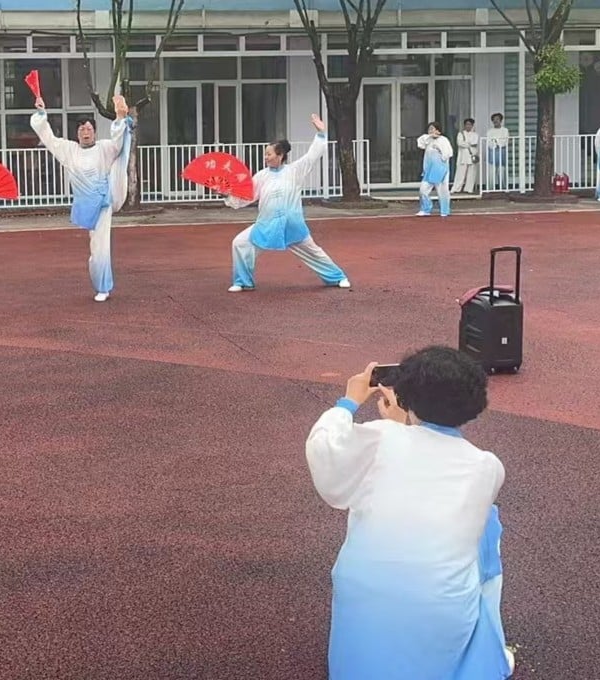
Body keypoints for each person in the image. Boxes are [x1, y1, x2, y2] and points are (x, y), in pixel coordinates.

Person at [305, 346, 514, 680]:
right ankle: (482, 657)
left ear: (405, 397)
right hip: (441, 606)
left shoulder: (380, 437)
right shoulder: (488, 466)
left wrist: (349, 401)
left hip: (364, 588)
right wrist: (402, 427)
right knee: (488, 532)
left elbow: (326, 449)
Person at [224, 114, 351, 292]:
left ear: (280, 155)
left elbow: (312, 156)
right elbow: (247, 196)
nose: (265, 157)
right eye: (265, 154)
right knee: (240, 243)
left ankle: (338, 277)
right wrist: (229, 195)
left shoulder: (295, 171)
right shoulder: (261, 176)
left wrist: (321, 133)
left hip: (292, 224)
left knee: (314, 252)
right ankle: (243, 281)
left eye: (269, 154)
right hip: (266, 224)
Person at [30, 94, 132, 302]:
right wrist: (41, 113)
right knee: (94, 246)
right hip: (84, 204)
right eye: (82, 129)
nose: (86, 133)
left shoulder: (104, 148)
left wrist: (120, 118)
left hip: (102, 202)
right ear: (77, 133)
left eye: (89, 129)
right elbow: (49, 138)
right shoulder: (69, 150)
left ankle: (103, 287)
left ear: (94, 132)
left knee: (100, 246)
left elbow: (119, 141)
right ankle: (100, 280)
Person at [416, 122, 454, 217]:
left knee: (442, 191)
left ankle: (444, 211)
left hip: (440, 170)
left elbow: (448, 153)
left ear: (438, 130)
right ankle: (425, 209)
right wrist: (430, 136)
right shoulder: (428, 139)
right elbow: (420, 143)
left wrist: (439, 149)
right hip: (429, 171)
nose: (431, 130)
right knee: (423, 190)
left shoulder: (444, 140)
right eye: (429, 129)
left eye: (433, 128)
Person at [452, 118, 479, 194]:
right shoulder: (461, 134)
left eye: (470, 124)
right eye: (467, 124)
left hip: (472, 155)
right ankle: (456, 188)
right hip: (463, 156)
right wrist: (468, 144)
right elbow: (460, 143)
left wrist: (466, 143)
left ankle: (469, 189)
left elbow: (474, 143)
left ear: (472, 125)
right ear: (464, 125)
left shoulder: (475, 134)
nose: (468, 126)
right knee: (460, 173)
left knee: (471, 173)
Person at [486, 113, 509, 191]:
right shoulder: (490, 131)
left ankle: (502, 187)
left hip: (502, 151)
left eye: (497, 119)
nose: (496, 121)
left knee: (501, 170)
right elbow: (489, 142)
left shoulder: (505, 130)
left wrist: (498, 142)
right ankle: (491, 188)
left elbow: (505, 140)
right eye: (494, 119)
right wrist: (494, 144)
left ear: (501, 120)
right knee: (491, 170)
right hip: (492, 151)